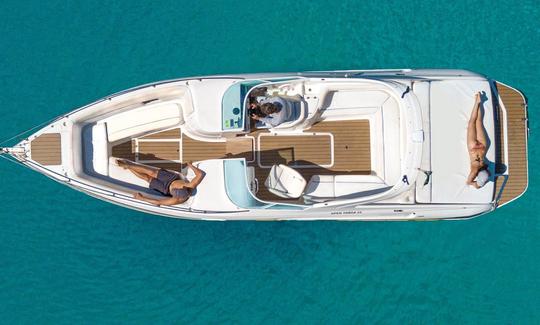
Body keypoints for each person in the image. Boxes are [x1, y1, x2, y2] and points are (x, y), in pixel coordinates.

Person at [117, 159, 205, 205]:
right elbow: (200, 174)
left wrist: (142, 198)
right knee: (152, 172)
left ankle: (128, 167)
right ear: (185, 187)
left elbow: (158, 202)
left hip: (165, 189)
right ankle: (128, 165)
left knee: (148, 178)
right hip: (172, 179)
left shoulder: (177, 199)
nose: (175, 187)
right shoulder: (191, 185)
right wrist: (190, 165)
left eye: (175, 190)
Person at [466, 92, 490, 188]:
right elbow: (469, 183)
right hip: (473, 149)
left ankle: (479, 102)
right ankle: (477, 102)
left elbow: (480, 184)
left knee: (479, 121)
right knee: (472, 122)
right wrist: (474, 182)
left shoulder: (484, 168)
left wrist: (483, 181)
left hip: (482, 147)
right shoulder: (474, 171)